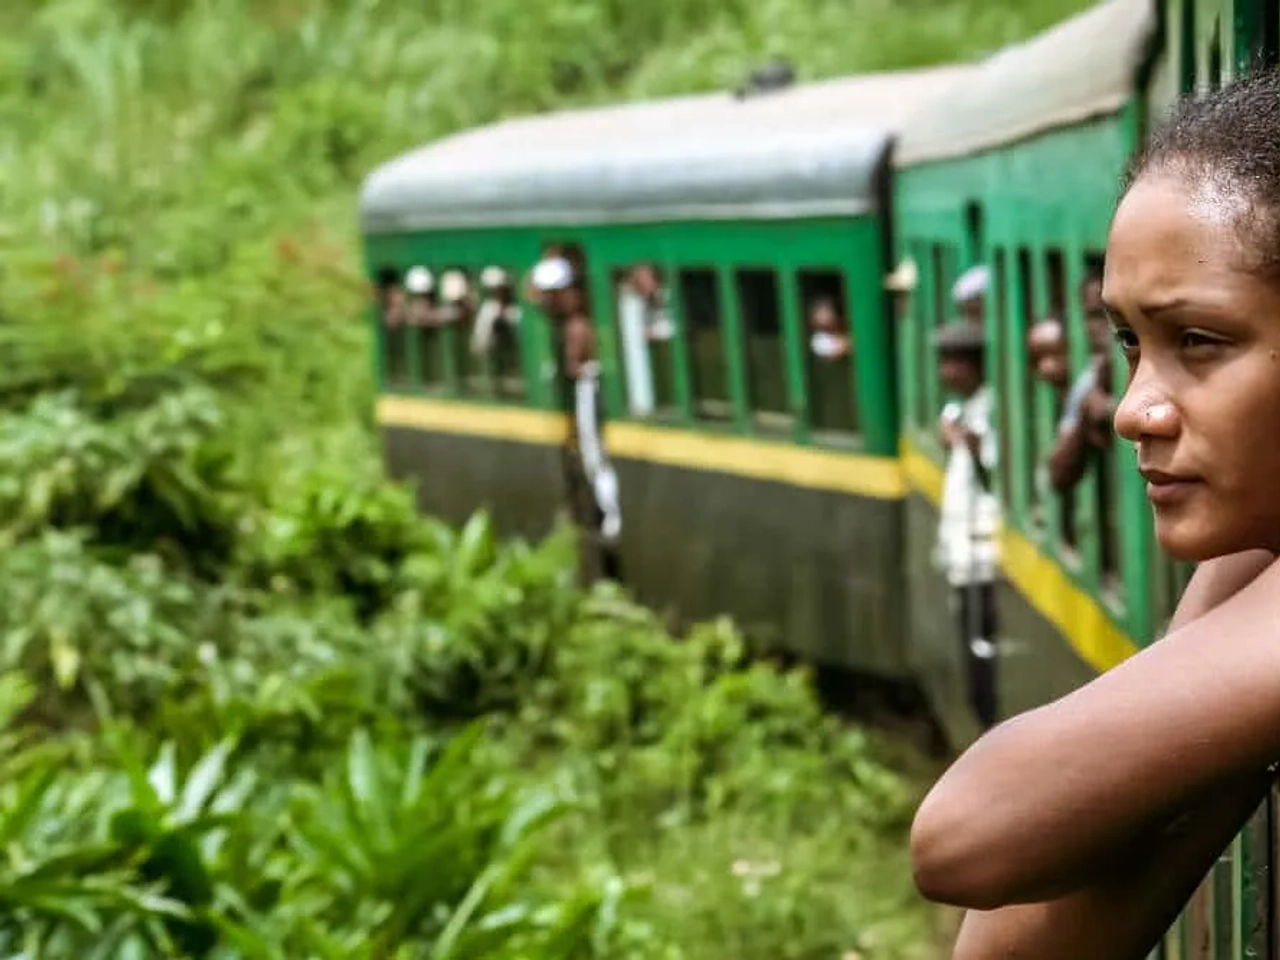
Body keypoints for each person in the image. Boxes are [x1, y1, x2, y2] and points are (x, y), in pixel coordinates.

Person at [910, 69, 1280, 959]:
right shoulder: (1252, 562)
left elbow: (963, 836)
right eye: (1129, 342)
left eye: (1199, 340)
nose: (1130, 409)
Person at [934, 321, 1000, 730]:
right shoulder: (960, 411)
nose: (945, 375)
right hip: (965, 553)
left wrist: (967, 442)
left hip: (985, 555)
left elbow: (994, 471)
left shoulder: (990, 411)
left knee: (984, 653)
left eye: (952, 364)